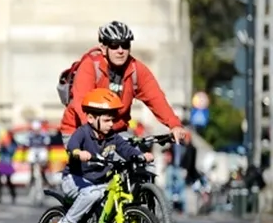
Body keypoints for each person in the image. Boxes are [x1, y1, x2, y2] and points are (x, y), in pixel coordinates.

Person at [60, 21, 188, 144]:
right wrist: (97, 133)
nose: (120, 50)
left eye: (125, 45)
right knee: (94, 163)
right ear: (104, 49)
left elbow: (156, 98)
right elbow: (81, 104)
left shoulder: (136, 69)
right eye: (114, 45)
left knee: (139, 161)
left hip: (116, 132)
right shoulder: (90, 66)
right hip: (79, 130)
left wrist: (174, 125)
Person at [55, 88, 154, 223]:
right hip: (75, 180)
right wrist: (78, 153)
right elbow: (72, 145)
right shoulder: (83, 133)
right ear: (90, 118)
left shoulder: (112, 137)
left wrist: (140, 156)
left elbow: (126, 149)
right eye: (107, 120)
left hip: (98, 183)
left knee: (111, 201)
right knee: (92, 194)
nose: (111, 124)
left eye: (112, 120)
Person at [26, 120, 53, 188]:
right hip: (33, 149)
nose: (36, 131)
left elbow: (47, 143)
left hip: (41, 149)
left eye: (37, 130)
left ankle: (44, 177)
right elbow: (26, 143)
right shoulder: (30, 135)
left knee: (43, 163)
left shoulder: (44, 134)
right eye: (35, 130)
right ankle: (31, 178)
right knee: (30, 159)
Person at [0, 130, 17, 204]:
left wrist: (5, 146)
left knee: (8, 181)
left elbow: (11, 152)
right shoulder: (3, 143)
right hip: (1, 163)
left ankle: (13, 195)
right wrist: (0, 147)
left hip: (7, 163)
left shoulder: (13, 144)